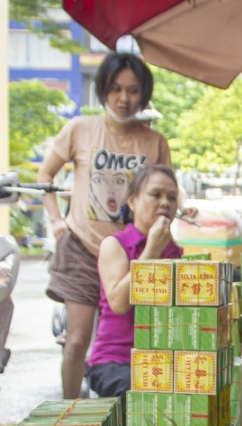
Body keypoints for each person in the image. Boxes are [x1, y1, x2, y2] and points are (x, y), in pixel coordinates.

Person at [38, 52, 173, 400]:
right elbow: (45, 174)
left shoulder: (154, 141)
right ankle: (71, 417)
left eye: (132, 90)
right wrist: (56, 220)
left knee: (141, 339)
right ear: (102, 90)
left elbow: (165, 190)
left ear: (143, 93)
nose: (124, 98)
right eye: (115, 89)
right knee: (78, 339)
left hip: (132, 250)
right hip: (84, 246)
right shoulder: (80, 129)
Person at [86, 165, 183, 426]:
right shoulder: (114, 245)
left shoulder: (176, 252)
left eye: (172, 197)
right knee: (139, 390)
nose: (165, 202)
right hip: (117, 361)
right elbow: (118, 303)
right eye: (155, 194)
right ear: (132, 201)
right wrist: (151, 252)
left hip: (160, 359)